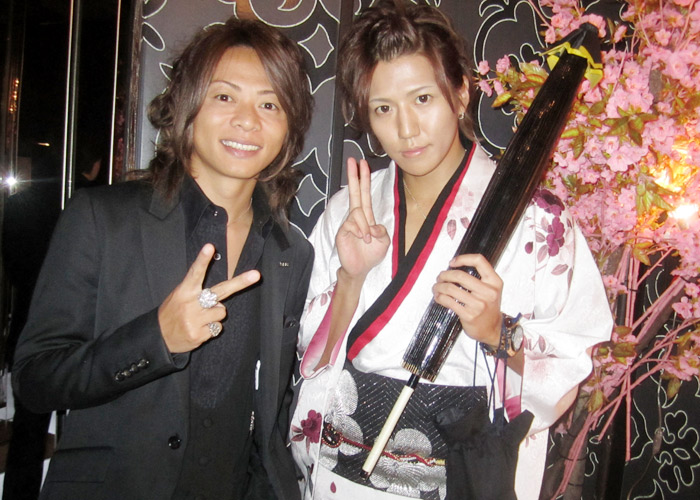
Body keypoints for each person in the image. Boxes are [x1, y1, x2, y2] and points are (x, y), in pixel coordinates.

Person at [289, 2, 612, 499]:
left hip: (462, 476)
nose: (407, 129)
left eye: (422, 98)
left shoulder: (538, 220)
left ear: (460, 92)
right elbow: (309, 356)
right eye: (383, 108)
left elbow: (568, 362)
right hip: (342, 475)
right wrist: (350, 281)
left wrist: (497, 332)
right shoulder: (348, 212)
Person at [12, 16, 313, 500]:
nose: (247, 120)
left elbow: (269, 409)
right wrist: (156, 338)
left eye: (270, 103)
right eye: (224, 96)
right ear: (188, 106)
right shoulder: (103, 219)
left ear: (289, 127)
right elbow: (35, 378)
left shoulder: (291, 253)